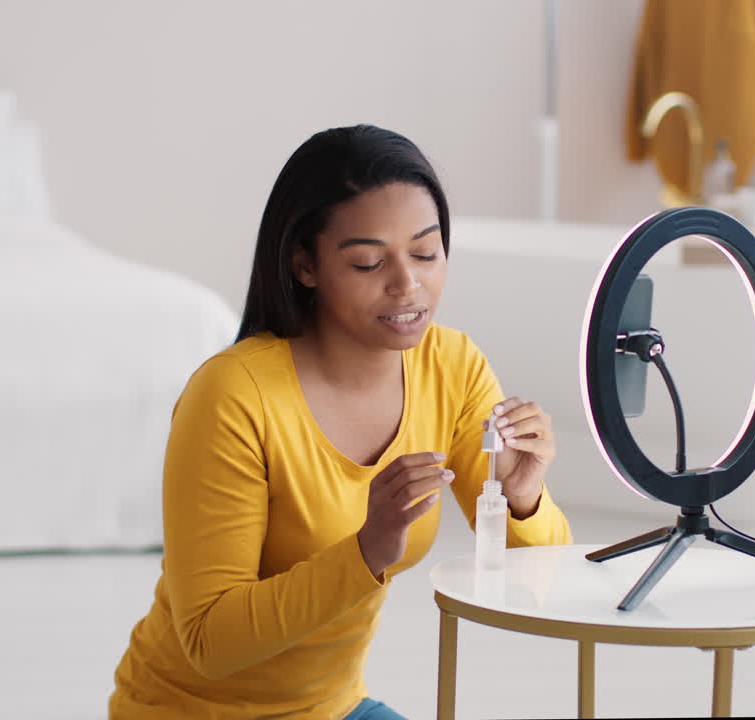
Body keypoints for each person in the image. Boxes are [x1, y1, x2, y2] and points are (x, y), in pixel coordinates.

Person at [108, 124, 573, 719]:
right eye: (368, 262)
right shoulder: (232, 396)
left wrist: (523, 498)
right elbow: (208, 641)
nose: (409, 283)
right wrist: (364, 553)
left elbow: (546, 587)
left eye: (427, 253)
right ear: (305, 264)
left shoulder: (451, 367)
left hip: (332, 710)